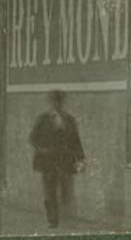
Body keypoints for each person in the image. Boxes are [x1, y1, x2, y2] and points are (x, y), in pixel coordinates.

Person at [29, 89, 85, 229]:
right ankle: (52, 221)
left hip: (66, 161)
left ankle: (67, 219)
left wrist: (81, 159)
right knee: (50, 193)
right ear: (50, 102)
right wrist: (43, 149)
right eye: (54, 101)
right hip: (48, 162)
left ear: (63, 103)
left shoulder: (70, 120)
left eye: (60, 101)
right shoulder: (42, 119)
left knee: (67, 191)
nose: (57, 104)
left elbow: (76, 140)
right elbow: (32, 138)